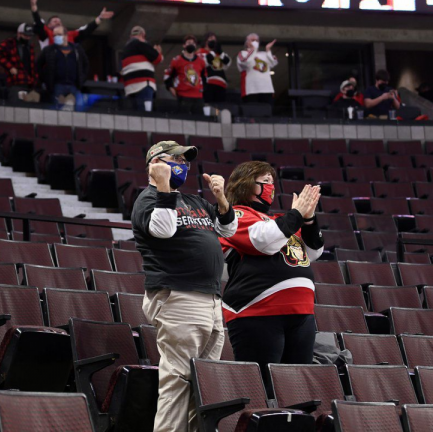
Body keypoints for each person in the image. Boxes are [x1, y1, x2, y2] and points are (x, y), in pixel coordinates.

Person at [133, 140, 237, 432]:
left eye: (184, 160)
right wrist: (163, 186)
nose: (182, 164)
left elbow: (228, 229)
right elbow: (163, 230)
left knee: (202, 384)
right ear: (155, 164)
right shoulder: (147, 199)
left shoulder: (194, 201)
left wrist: (221, 199)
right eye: (174, 159)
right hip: (179, 296)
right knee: (178, 383)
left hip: (211, 300)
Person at [220, 161, 323, 367]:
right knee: (262, 383)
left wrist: (309, 219)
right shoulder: (234, 216)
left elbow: (313, 251)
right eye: (265, 181)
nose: (271, 186)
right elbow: (264, 242)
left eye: (272, 181)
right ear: (245, 184)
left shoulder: (277, 220)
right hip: (257, 310)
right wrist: (295, 215)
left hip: (301, 312)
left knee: (296, 387)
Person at [36, 25, 89, 109]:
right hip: (57, 86)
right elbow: (38, 65)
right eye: (54, 35)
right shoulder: (49, 50)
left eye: (59, 34)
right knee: (58, 112)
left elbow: (86, 65)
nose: (56, 37)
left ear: (66, 35)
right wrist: (46, 79)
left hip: (74, 86)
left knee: (79, 109)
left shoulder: (76, 49)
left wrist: (81, 79)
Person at [30, 0, 113, 49]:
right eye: (55, 21)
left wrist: (100, 17)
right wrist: (34, 6)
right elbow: (38, 22)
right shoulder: (46, 34)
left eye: (59, 21)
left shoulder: (71, 35)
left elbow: (86, 30)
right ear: (49, 26)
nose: (58, 22)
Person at [120, 26, 163, 112]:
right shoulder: (143, 45)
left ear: (130, 36)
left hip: (130, 88)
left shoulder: (124, 50)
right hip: (144, 85)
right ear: (143, 35)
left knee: (136, 116)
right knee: (146, 114)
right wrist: (158, 52)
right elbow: (158, 59)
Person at [164, 35, 208, 115]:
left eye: (193, 43)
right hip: (183, 95)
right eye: (188, 43)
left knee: (200, 122)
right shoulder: (176, 60)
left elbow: (205, 77)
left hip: (198, 96)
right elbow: (167, 76)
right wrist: (170, 87)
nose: (191, 44)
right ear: (184, 45)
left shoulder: (201, 61)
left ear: (195, 45)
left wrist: (203, 89)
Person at [0, 23, 38, 90]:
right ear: (19, 34)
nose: (28, 37)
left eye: (29, 36)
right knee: (16, 98)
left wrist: (35, 78)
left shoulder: (30, 46)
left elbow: (32, 64)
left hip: (30, 81)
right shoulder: (9, 43)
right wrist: (10, 67)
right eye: (25, 35)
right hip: (16, 80)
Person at [237, 33, 279, 105]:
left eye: (257, 40)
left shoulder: (264, 54)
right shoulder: (243, 53)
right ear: (247, 43)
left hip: (267, 89)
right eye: (252, 40)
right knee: (252, 113)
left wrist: (268, 50)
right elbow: (245, 62)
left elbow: (274, 62)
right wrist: (253, 50)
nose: (255, 42)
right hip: (251, 90)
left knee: (266, 113)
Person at [197, 32, 231, 104]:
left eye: (215, 40)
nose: (213, 41)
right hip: (208, 83)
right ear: (205, 41)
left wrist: (221, 53)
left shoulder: (218, 54)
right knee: (209, 107)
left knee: (220, 108)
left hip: (221, 84)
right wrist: (212, 52)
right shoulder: (200, 52)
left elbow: (227, 64)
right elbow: (203, 63)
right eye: (211, 39)